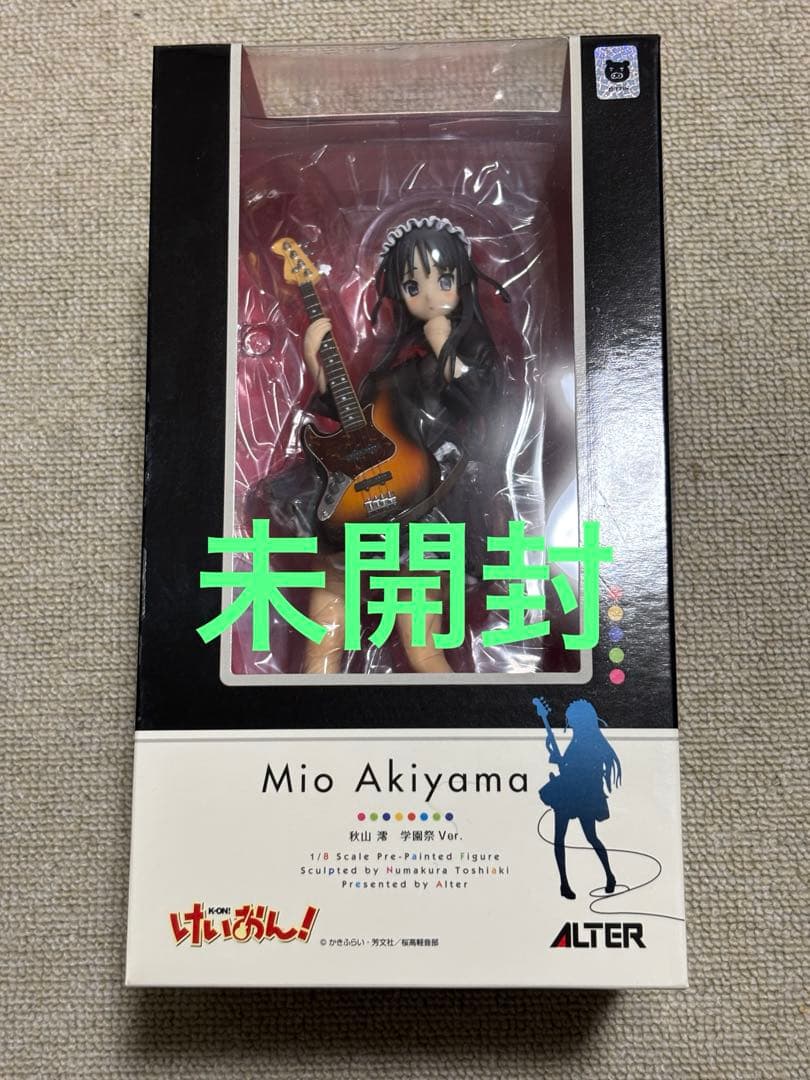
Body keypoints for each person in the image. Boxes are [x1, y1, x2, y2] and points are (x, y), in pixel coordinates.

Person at [294, 215, 511, 674]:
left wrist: (447, 350)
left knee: (422, 646)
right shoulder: (394, 364)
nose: (430, 297)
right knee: (327, 612)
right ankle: (308, 696)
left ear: (463, 281)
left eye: (443, 281)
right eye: (414, 287)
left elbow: (487, 401)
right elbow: (361, 418)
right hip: (369, 496)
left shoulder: (470, 349)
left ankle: (460, 714)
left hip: (425, 500)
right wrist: (318, 365)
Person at [537, 698, 621, 900]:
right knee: (584, 837)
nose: (570, 724)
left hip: (576, 794)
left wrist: (559, 760)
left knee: (567, 839)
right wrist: (559, 759)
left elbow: (575, 768)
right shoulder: (587, 741)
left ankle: (574, 882)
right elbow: (570, 766)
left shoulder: (585, 743)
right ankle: (577, 881)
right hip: (578, 793)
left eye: (572, 720)